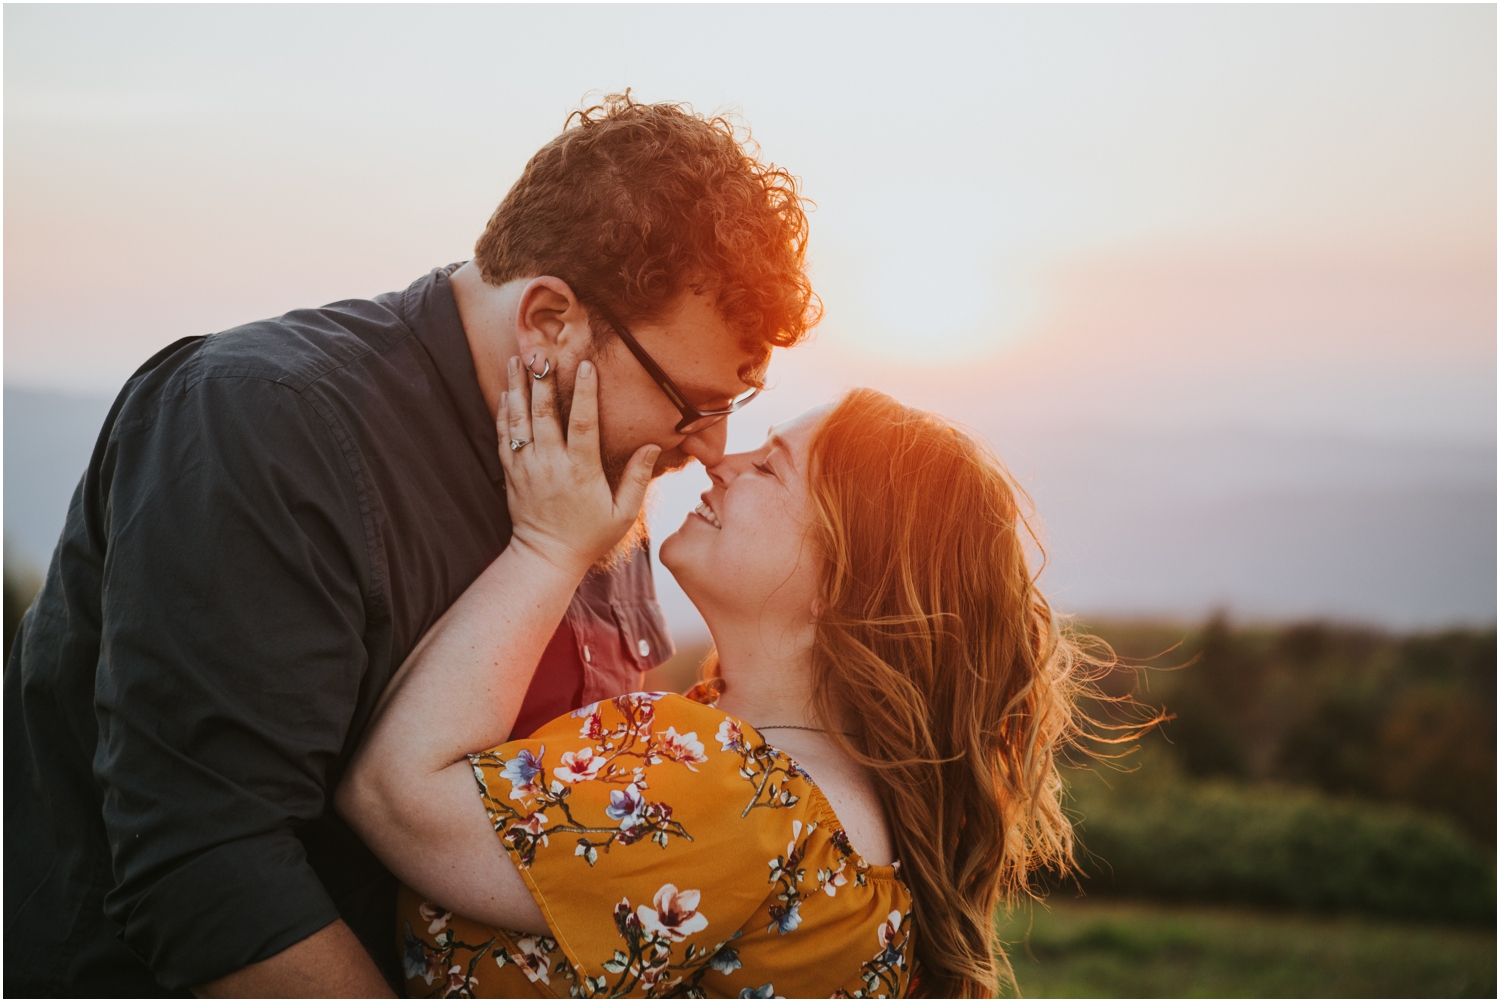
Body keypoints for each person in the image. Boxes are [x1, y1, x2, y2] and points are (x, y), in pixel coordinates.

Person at [3, 93, 817, 997]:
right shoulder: (263, 423)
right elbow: (209, 873)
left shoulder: (599, 467)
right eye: (693, 404)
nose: (707, 448)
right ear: (549, 321)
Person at [337, 375, 1095, 998]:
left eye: (769, 467)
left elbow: (393, 799)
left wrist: (548, 545)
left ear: (840, 582)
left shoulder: (738, 793)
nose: (721, 462)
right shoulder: (810, 789)